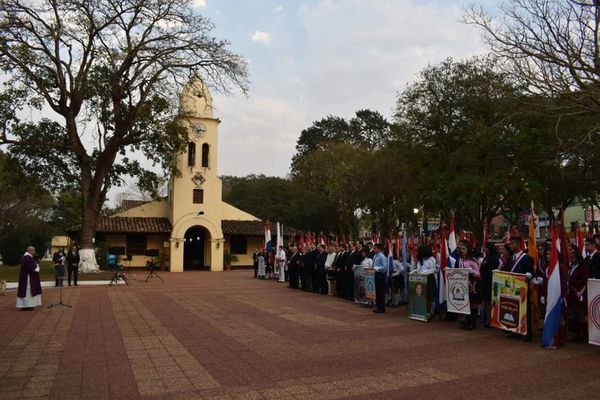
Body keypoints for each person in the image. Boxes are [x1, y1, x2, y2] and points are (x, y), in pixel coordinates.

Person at [504, 236, 534, 341]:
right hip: (512, 288)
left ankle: (527, 332)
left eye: (512, 244)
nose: (510, 246)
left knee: (525, 310)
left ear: (518, 244)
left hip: (523, 288)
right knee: (514, 309)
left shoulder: (527, 258)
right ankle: (516, 330)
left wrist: (529, 275)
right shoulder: (511, 258)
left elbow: (531, 272)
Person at [456, 240, 481, 330]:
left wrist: (472, 271)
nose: (462, 250)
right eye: (461, 249)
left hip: (473, 284)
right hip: (464, 284)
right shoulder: (460, 260)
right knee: (466, 303)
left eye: (464, 249)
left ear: (468, 250)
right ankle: (467, 321)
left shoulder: (473, 260)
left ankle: (472, 323)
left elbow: (478, 274)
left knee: (473, 304)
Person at [568, 243, 589, 342]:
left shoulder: (582, 267)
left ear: (577, 257)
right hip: (572, 294)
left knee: (581, 314)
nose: (571, 259)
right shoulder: (571, 267)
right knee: (576, 314)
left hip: (580, 293)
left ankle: (584, 335)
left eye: (573, 257)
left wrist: (570, 282)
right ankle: (578, 333)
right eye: (570, 258)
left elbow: (584, 280)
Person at [480, 242, 500, 327]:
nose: (485, 250)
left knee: (491, 301)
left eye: (486, 248)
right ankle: (487, 318)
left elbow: (493, 269)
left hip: (491, 282)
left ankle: (491, 319)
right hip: (484, 282)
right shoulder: (486, 257)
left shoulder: (495, 258)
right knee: (486, 301)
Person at [16, 246, 42, 311]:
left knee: (28, 292)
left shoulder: (28, 257)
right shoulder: (27, 258)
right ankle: (27, 305)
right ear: (30, 251)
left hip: (27, 277)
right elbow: (32, 268)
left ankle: (26, 306)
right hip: (27, 279)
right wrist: (37, 266)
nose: (35, 252)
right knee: (28, 292)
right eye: (34, 250)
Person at [372, 243, 387, 313]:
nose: (374, 250)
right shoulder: (375, 256)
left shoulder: (382, 256)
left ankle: (382, 307)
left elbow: (384, 267)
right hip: (375, 274)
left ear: (379, 249)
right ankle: (378, 307)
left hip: (381, 274)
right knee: (377, 291)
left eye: (375, 248)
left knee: (381, 291)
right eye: (374, 248)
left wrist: (377, 268)